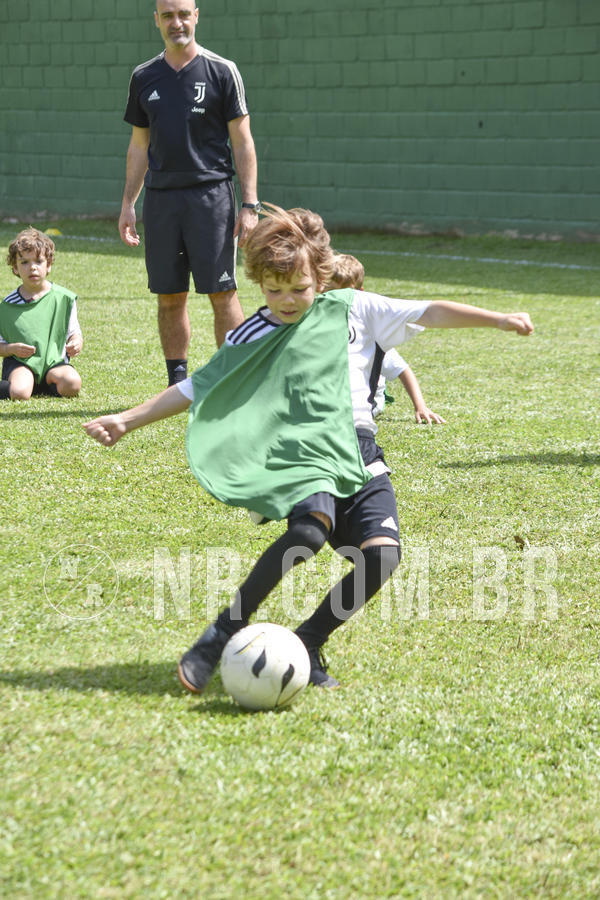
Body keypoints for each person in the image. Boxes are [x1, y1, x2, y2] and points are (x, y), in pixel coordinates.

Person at [83, 205, 533, 693]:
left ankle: (309, 643)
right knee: (308, 534)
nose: (287, 301)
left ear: (321, 276)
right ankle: (222, 632)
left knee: (381, 558)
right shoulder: (254, 331)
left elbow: (428, 310)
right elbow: (200, 386)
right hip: (302, 449)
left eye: (298, 289)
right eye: (273, 291)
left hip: (358, 449)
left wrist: (499, 319)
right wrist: (127, 420)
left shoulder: (355, 309)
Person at [119, 0, 260, 385]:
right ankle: (177, 381)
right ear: (157, 21)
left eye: (183, 14)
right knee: (169, 294)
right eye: (168, 15)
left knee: (222, 292)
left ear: (196, 16)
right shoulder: (144, 76)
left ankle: (235, 378)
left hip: (211, 197)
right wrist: (128, 203)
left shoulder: (222, 71)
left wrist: (249, 205)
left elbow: (243, 143)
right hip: (161, 200)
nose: (176, 22)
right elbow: (138, 146)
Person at [327, 252, 445, 424]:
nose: (337, 299)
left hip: (365, 402)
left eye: (344, 293)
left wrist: (421, 407)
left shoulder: (365, 332)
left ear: (360, 293)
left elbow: (403, 370)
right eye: (329, 291)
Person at [0, 228, 82, 401]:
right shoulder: (6, 307)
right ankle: (23, 385)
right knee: (20, 393)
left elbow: (74, 333)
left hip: (54, 364)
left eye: (38, 261)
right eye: (24, 262)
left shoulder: (64, 299)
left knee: (72, 384)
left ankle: (43, 384)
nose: (32, 268)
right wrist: (11, 349)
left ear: (49, 265)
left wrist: (76, 343)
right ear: (15, 268)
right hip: (21, 364)